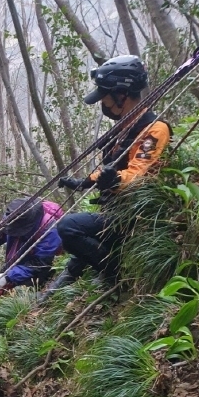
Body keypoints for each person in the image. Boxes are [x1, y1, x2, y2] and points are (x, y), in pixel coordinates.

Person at [46, 55, 171, 293]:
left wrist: (115, 180)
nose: (103, 103)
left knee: (69, 227)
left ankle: (114, 273)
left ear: (121, 94)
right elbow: (111, 165)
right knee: (84, 246)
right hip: (116, 208)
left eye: (105, 96)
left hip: (135, 214)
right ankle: (76, 273)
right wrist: (84, 182)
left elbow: (140, 173)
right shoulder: (126, 125)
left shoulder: (154, 129)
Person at [0, 197, 63, 317]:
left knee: (18, 290)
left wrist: (9, 277)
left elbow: (40, 263)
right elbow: (1, 232)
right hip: (15, 256)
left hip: (35, 267)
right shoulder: (13, 216)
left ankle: (1, 321)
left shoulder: (49, 229)